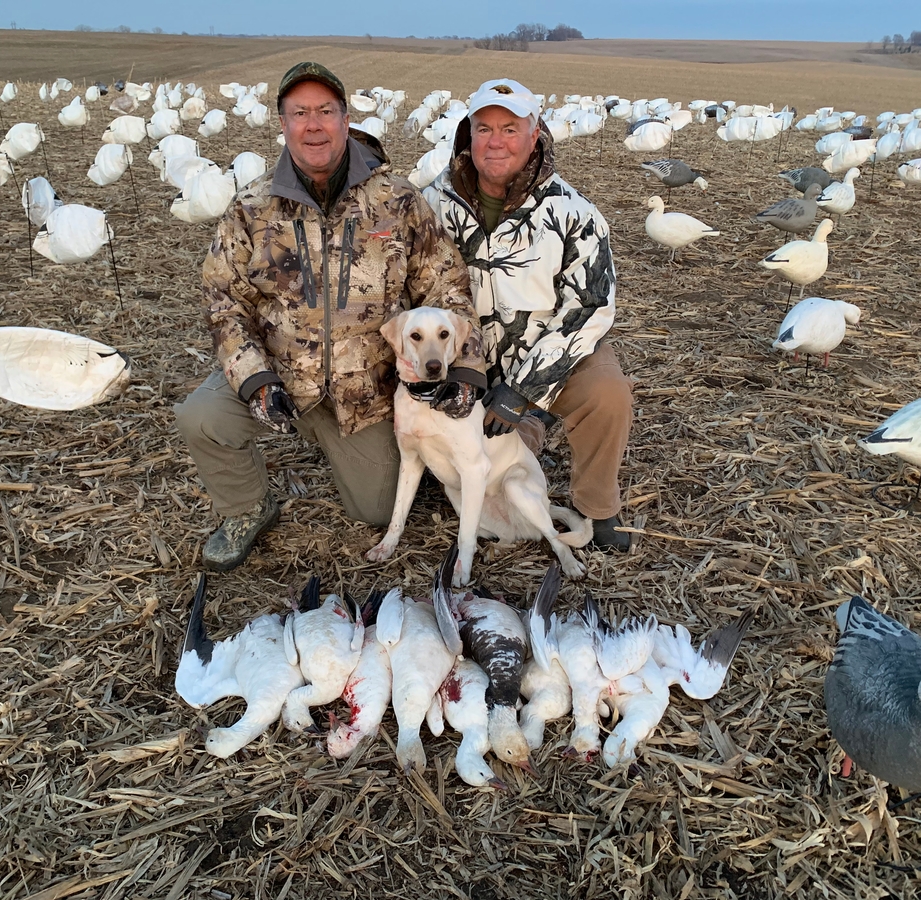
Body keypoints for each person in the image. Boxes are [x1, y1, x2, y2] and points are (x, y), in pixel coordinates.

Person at [176, 62, 485, 571]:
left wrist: (467, 369)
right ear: (282, 123)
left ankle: (351, 446)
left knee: (375, 509)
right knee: (201, 417)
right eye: (300, 112)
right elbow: (222, 302)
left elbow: (447, 287)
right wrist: (255, 380)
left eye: (325, 111)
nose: (313, 124)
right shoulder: (251, 207)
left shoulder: (398, 200)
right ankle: (246, 509)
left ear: (346, 119)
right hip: (279, 373)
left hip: (365, 390)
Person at [424, 79, 634, 550]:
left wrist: (522, 390)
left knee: (607, 392)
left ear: (535, 132)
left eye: (509, 128)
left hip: (544, 357)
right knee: (451, 480)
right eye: (483, 128)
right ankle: (523, 433)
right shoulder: (431, 205)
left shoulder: (573, 213)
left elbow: (590, 307)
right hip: (460, 366)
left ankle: (596, 507)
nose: (495, 140)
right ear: (467, 136)